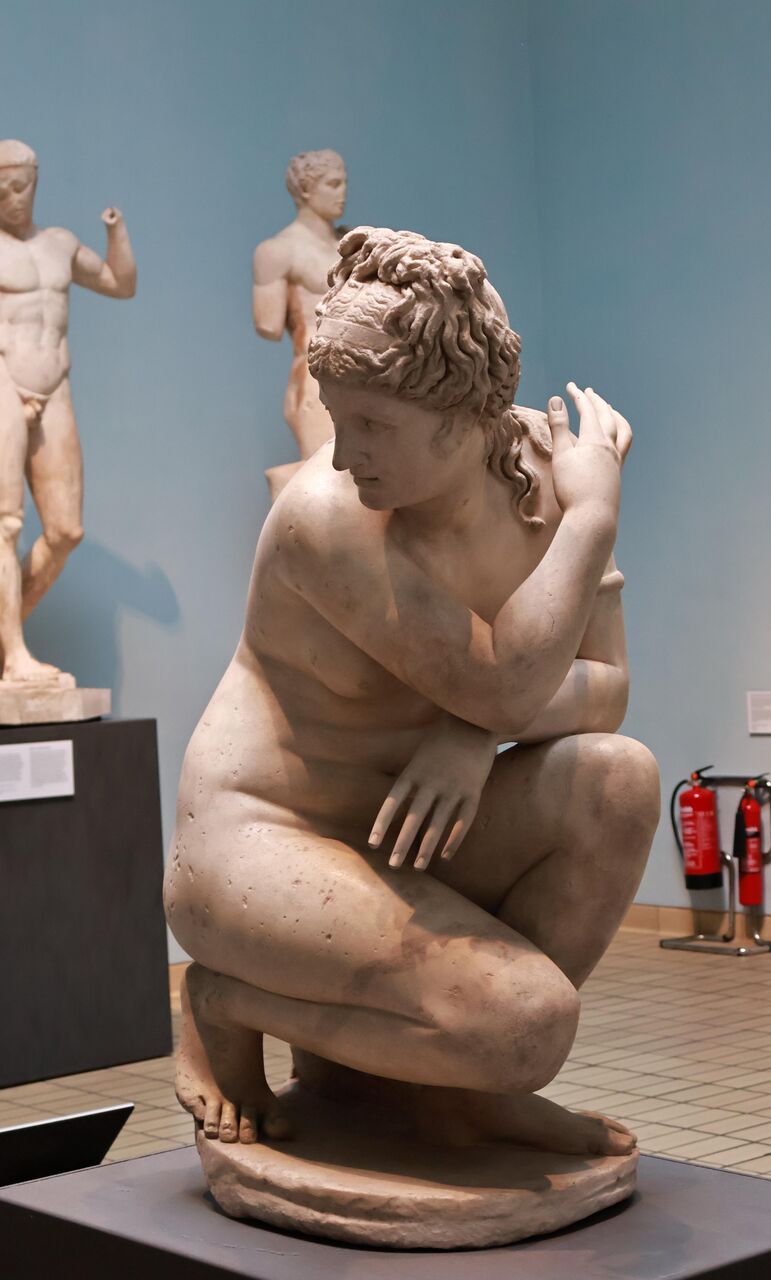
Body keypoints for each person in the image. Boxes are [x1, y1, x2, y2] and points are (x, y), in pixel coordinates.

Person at [168, 227, 659, 1154]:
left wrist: (468, 737)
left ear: (461, 411)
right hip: (266, 842)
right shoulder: (328, 521)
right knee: (526, 1023)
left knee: (617, 778)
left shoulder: (545, 478)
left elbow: (605, 691)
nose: (342, 455)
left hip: (408, 829)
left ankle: (459, 1087)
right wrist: (594, 513)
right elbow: (507, 692)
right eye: (335, 419)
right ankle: (228, 998)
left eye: (372, 426)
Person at [0, 139, 136, 683]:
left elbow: (121, 284)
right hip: (3, 378)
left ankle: (5, 638)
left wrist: (115, 232)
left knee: (65, 530)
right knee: (6, 525)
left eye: (20, 186)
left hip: (54, 382)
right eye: (2, 190)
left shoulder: (58, 244)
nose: (12, 198)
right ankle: (14, 655)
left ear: (34, 183)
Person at [253, 149, 347, 499]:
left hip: (367, 376)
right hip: (315, 378)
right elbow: (268, 323)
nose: (343, 192)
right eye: (333, 184)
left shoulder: (352, 245)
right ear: (306, 189)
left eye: (344, 183)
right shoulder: (278, 251)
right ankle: (287, 502)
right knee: (331, 484)